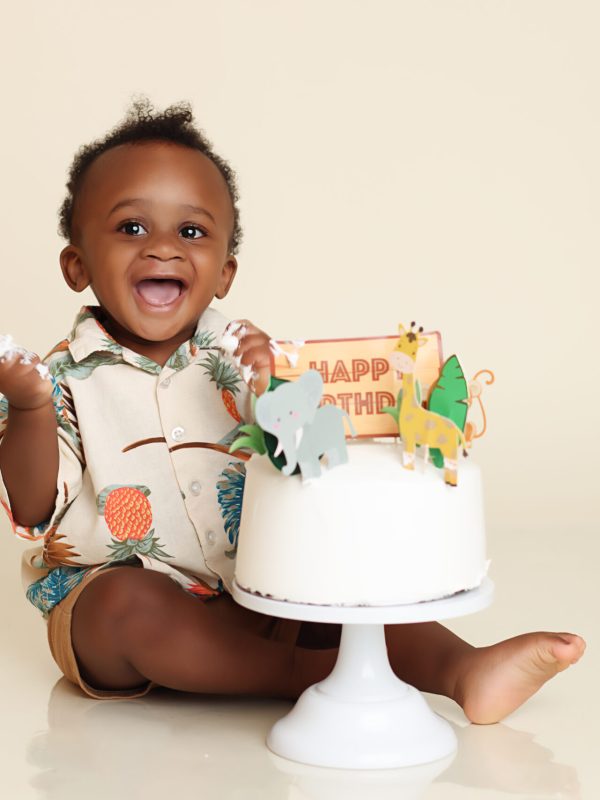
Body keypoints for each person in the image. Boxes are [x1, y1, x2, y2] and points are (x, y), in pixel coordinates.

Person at [0, 99, 585, 721]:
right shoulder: (55, 378)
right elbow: (35, 509)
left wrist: (278, 391)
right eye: (131, 228)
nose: (163, 249)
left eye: (191, 232)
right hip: (118, 606)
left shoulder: (247, 355)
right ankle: (315, 678)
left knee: (339, 584)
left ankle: (463, 668)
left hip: (257, 591)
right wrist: (31, 408)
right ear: (77, 264)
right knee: (127, 606)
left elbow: (309, 460)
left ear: (224, 272)